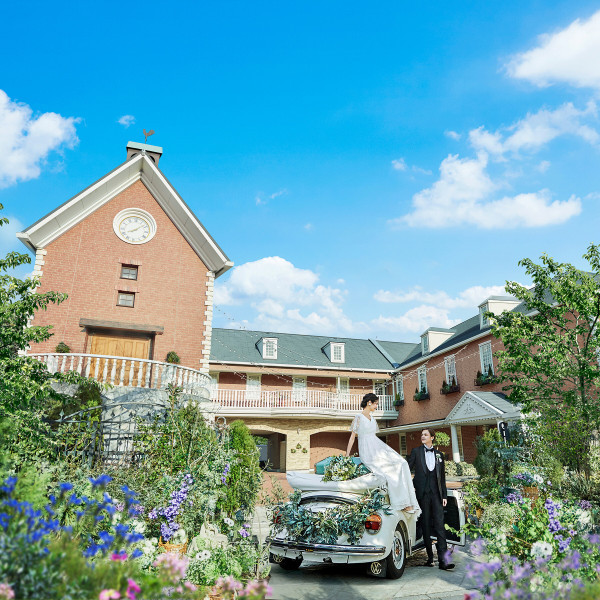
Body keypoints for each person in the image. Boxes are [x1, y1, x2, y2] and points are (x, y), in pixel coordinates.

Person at [345, 393, 420, 514]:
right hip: (368, 450)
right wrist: (347, 455)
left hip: (377, 447)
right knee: (388, 471)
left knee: (402, 463)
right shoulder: (358, 417)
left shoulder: (372, 418)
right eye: (375, 404)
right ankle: (401, 503)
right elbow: (352, 437)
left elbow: (373, 435)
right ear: (369, 402)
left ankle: (408, 501)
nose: (376, 406)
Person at [407, 428, 455, 570]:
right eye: (422, 434)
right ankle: (429, 558)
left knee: (440, 526)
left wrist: (444, 495)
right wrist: (409, 486)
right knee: (426, 525)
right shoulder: (416, 452)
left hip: (436, 494)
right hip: (422, 494)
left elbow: (442, 478)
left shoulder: (440, 455)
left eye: (426, 435)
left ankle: (443, 561)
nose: (422, 436)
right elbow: (407, 469)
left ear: (432, 438)